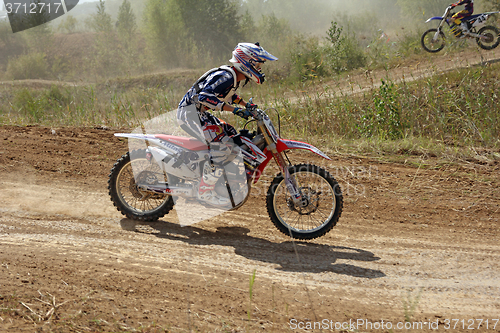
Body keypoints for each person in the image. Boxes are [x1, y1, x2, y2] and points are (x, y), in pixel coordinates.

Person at [177, 42, 278, 206]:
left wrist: (246, 105)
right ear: (246, 62)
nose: (259, 68)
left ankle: (221, 179)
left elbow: (228, 95)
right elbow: (204, 97)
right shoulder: (227, 76)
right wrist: (234, 110)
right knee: (223, 146)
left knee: (231, 133)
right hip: (189, 115)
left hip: (199, 114)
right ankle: (204, 191)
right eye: (257, 64)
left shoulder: (232, 77)